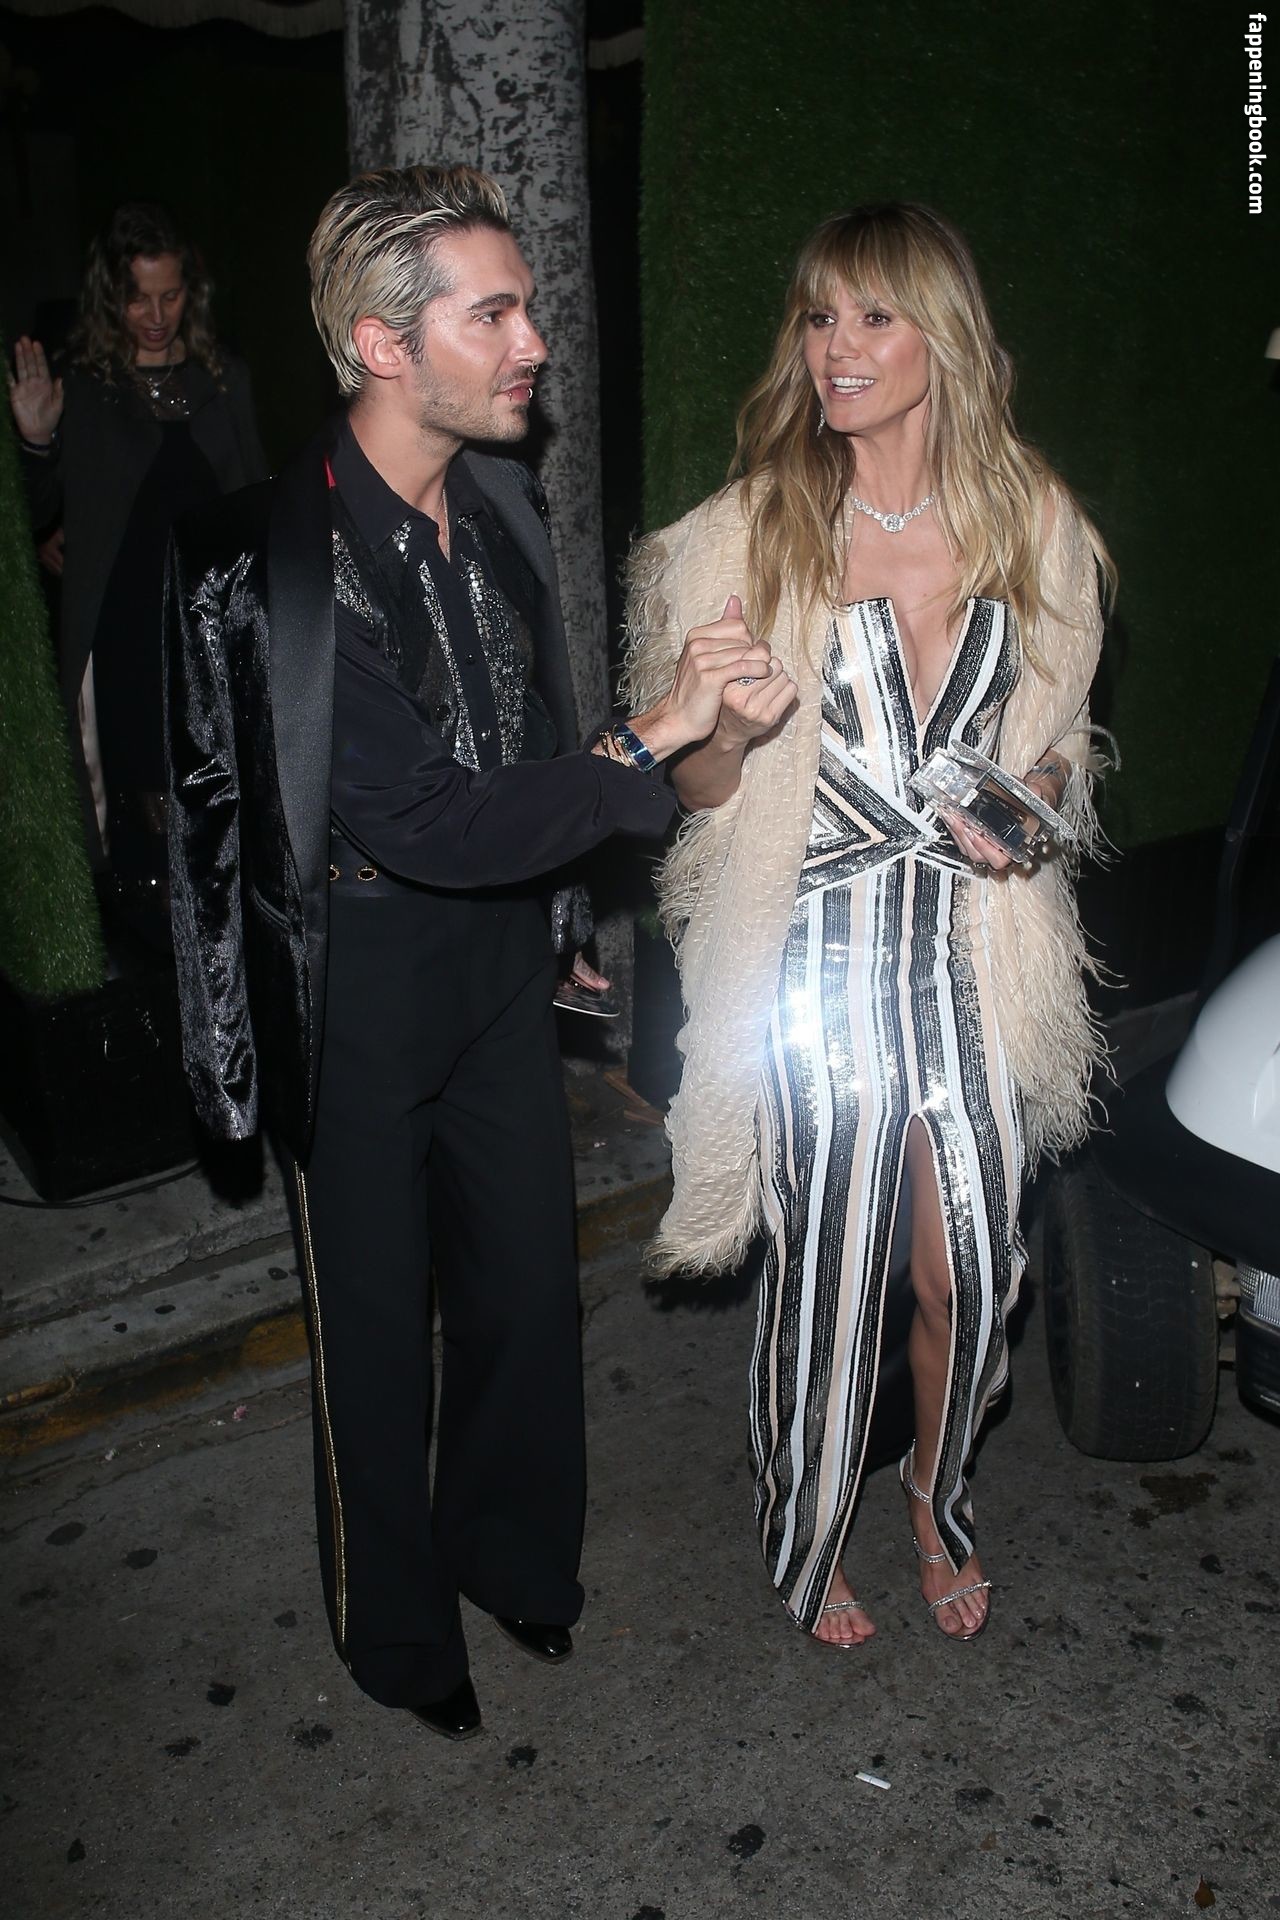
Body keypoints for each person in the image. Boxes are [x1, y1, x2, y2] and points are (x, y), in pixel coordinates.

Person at [164, 164, 788, 1739]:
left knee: (521, 1289)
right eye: (493, 315)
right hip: (359, 983)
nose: (534, 345)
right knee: (376, 1328)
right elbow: (433, 821)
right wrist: (661, 731)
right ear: (386, 347)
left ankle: (513, 1556)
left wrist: (564, 907)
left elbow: (526, 742)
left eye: (527, 310)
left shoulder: (501, 503)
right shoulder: (284, 564)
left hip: (501, 967)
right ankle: (397, 1632)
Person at [624, 202, 1110, 1648]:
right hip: (816, 961)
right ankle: (808, 1516)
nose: (835, 346)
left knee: (969, 1268)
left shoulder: (1034, 525)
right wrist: (722, 724)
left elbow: (1061, 739)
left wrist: (1034, 793)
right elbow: (698, 789)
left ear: (939, 338)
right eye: (819, 317)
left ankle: (933, 1494)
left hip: (972, 951)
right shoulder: (744, 534)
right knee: (828, 1276)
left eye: (871, 317)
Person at [8, 202, 265, 935]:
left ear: (192, 291)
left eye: (169, 295)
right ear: (109, 297)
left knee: (217, 797)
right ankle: (145, 948)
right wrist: (35, 440)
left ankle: (221, 945)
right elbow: (35, 511)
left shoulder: (224, 379)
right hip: (122, 633)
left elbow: (257, 499)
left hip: (210, 630)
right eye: (136, 298)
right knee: (135, 804)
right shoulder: (85, 388)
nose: (154, 315)